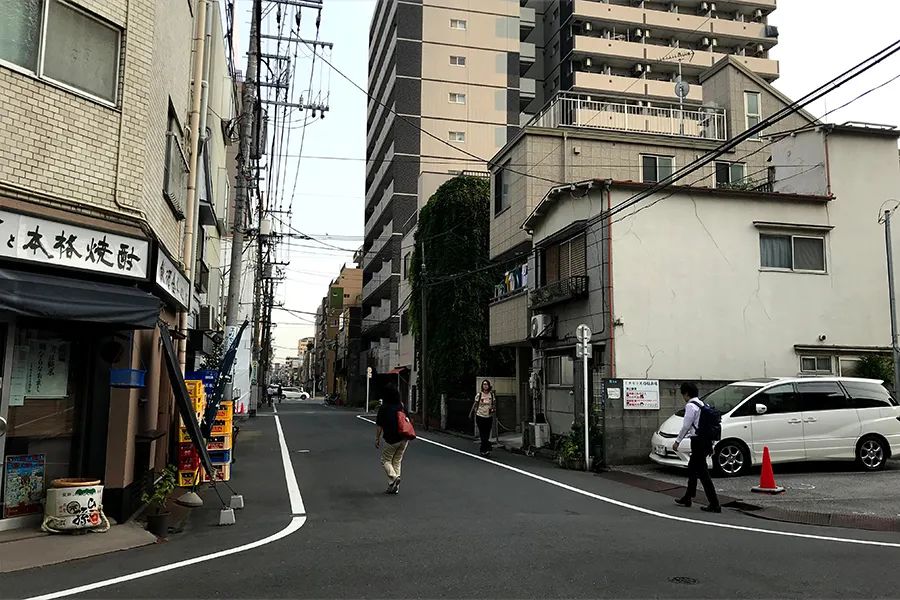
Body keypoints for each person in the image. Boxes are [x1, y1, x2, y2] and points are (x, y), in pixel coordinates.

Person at [673, 382, 721, 513]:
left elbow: (686, 426)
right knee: (692, 469)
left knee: (703, 473)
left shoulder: (690, 406)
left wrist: (677, 441)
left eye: (683, 393)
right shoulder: (702, 404)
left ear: (686, 393)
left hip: (697, 441)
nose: (683, 396)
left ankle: (714, 503)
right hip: (705, 441)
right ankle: (688, 497)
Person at [375, 385, 408, 495]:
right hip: (404, 438)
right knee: (397, 461)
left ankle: (394, 478)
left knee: (385, 460)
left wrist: (377, 439)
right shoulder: (401, 406)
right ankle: (394, 487)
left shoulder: (384, 408)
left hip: (392, 439)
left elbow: (379, 426)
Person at [469, 379, 496, 457]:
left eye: (486, 384)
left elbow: (494, 404)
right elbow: (475, 404)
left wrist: (493, 409)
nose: (485, 386)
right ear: (482, 386)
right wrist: (471, 413)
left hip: (489, 416)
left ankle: (484, 449)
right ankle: (485, 449)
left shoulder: (491, 395)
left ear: (489, 386)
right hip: (480, 415)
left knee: (487, 433)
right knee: (482, 433)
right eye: (484, 384)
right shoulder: (479, 395)